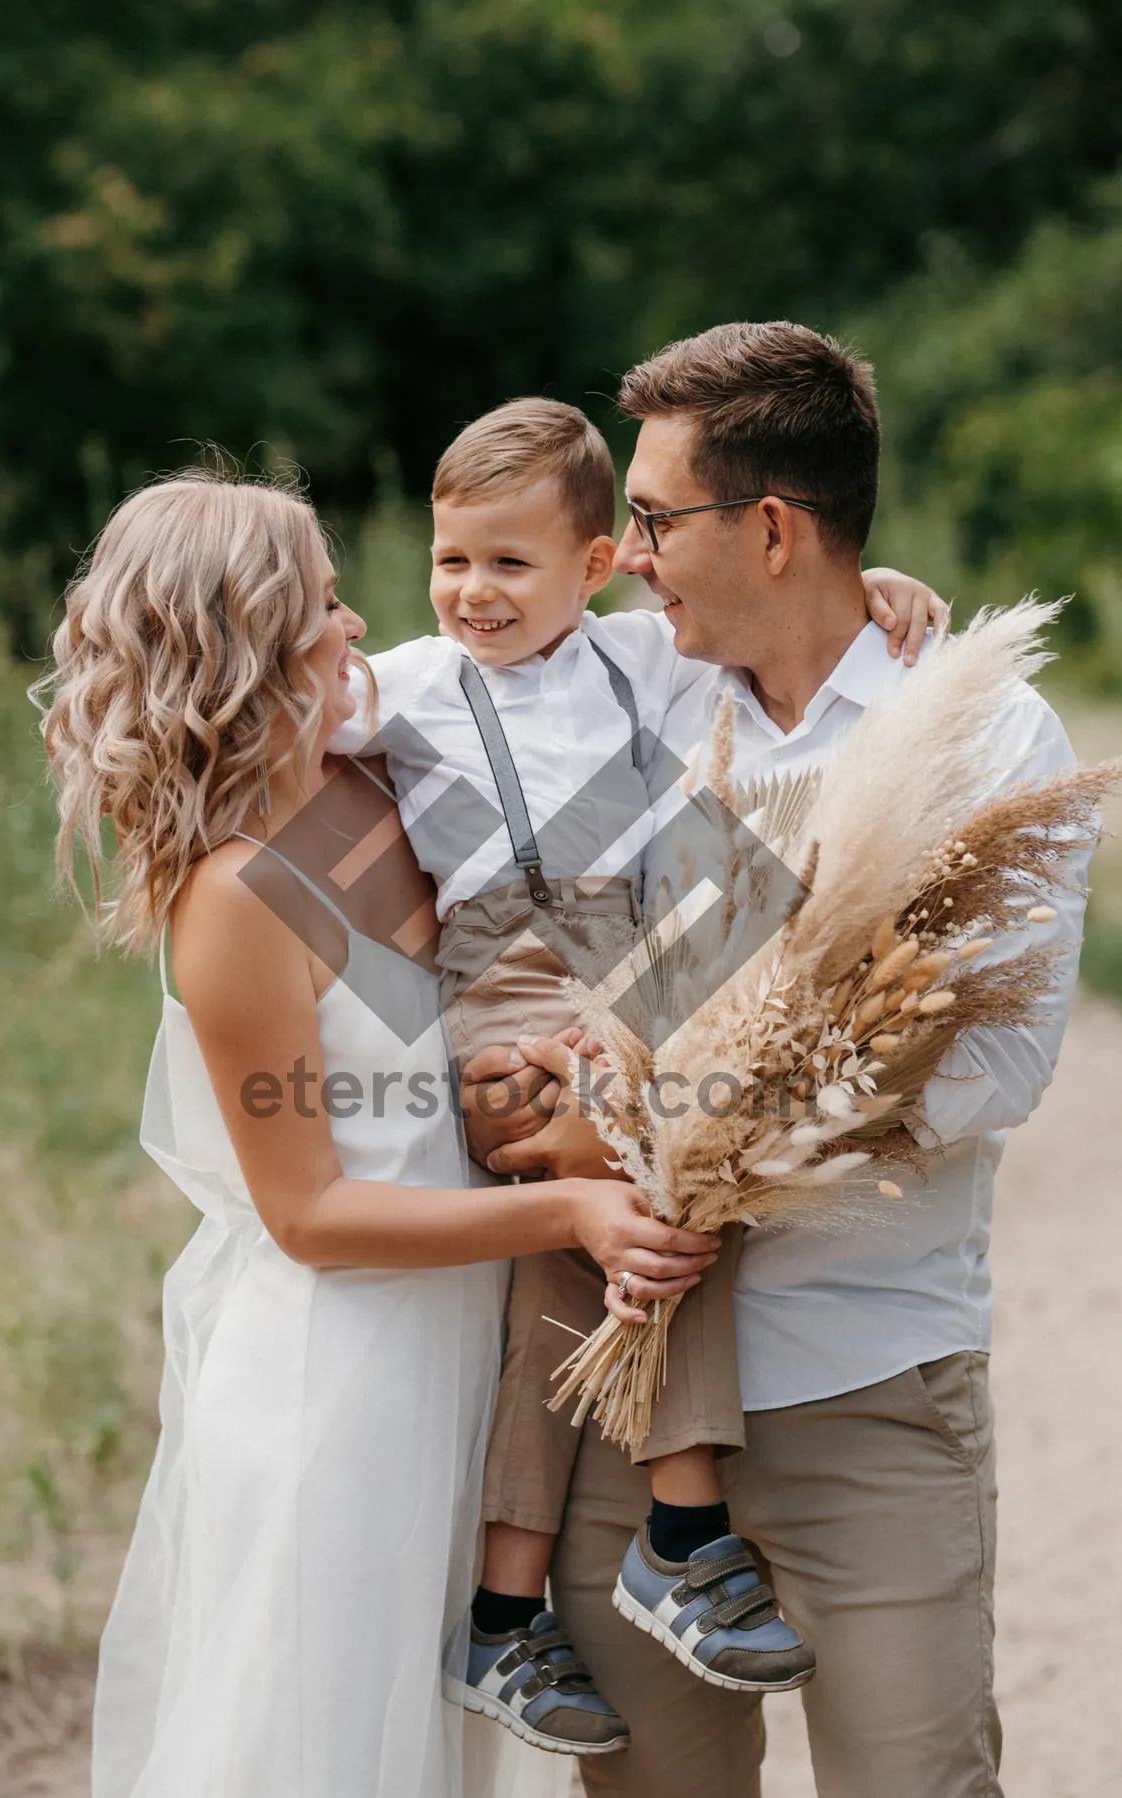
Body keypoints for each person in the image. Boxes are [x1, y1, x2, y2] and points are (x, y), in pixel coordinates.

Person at [464, 323, 1089, 1798]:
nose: (627, 552)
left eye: (658, 517)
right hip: (634, 1395)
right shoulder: (642, 697)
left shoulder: (987, 739)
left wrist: (677, 1126)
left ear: (771, 526)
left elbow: (987, 1075)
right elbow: (515, 972)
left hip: (870, 1385)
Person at [32, 470, 721, 1798]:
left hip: (461, 1355)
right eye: (327, 606)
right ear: (251, 642)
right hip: (335, 1386)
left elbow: (592, 714)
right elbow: (311, 1212)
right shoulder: (234, 894)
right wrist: (567, 1213)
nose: (359, 629)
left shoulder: (366, 790)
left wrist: (861, 614)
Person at [330, 398, 948, 1755]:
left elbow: (793, 636)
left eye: (508, 563)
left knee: (609, 1232)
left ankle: (505, 1609)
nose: (472, 592)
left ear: (597, 563)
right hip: (503, 989)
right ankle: (679, 1527)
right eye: (451, 562)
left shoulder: (644, 665)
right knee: (645, 1170)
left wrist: (879, 588)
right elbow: (277, 715)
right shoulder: (414, 683)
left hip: (648, 973)